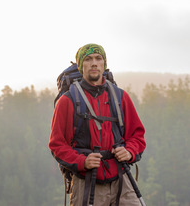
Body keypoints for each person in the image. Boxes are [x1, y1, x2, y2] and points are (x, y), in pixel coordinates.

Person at [49, 43, 146, 206]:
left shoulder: (121, 97)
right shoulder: (68, 101)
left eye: (98, 58)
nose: (94, 63)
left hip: (122, 178)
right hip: (86, 179)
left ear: (104, 64)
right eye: (88, 59)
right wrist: (82, 161)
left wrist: (129, 152)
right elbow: (57, 145)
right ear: (80, 66)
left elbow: (137, 135)